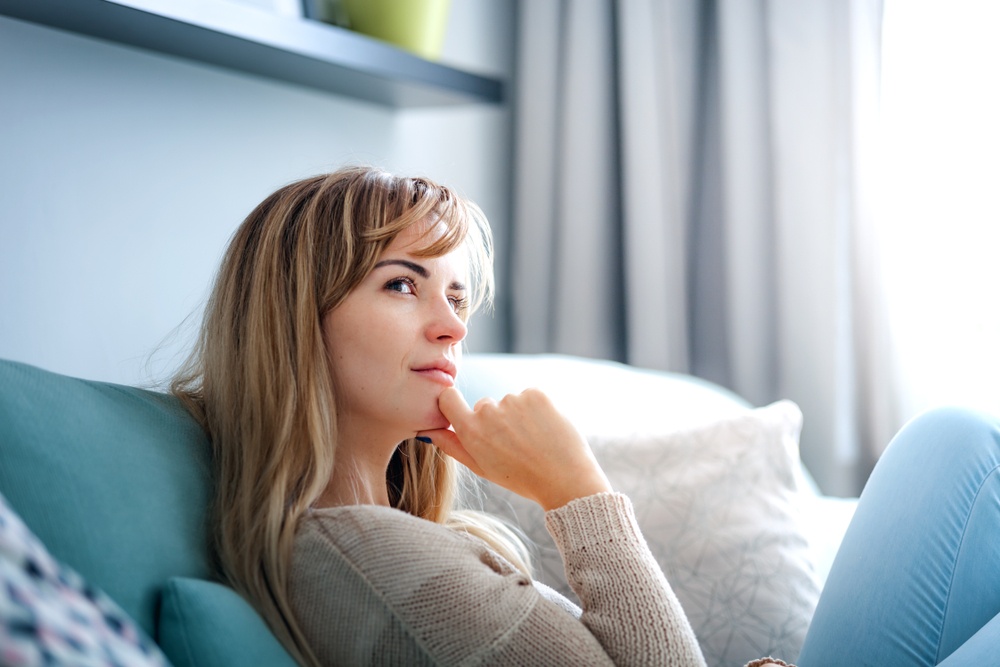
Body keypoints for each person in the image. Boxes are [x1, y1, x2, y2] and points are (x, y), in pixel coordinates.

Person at [171, 166, 1000, 667]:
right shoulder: (361, 556)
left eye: (456, 292)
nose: (453, 323)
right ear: (294, 318)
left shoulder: (396, 538)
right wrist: (577, 490)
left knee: (955, 442)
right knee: (954, 445)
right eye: (402, 283)